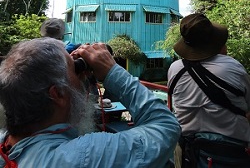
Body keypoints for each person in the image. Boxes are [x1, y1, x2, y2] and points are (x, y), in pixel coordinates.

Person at [0, 38, 180, 168]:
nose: (81, 78)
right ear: (58, 93)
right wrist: (112, 71)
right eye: (74, 67)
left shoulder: (6, 144)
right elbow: (165, 126)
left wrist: (69, 70)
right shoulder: (84, 156)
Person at [167, 13, 250, 168]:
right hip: (231, 153)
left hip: (187, 151)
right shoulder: (233, 66)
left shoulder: (174, 68)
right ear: (215, 42)